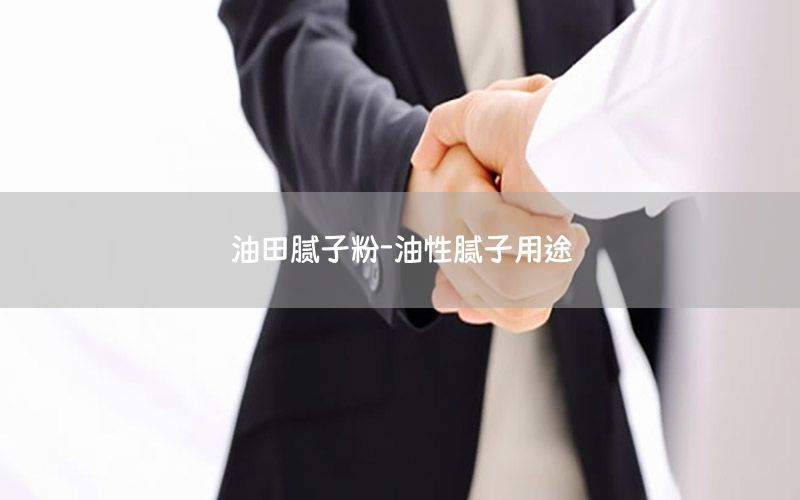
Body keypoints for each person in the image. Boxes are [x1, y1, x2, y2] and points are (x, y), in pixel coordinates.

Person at [217, 1, 666, 498]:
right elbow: (291, 50)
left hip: (581, 458)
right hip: (348, 447)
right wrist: (419, 179)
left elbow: (653, 226)